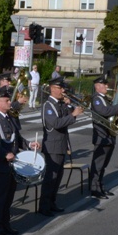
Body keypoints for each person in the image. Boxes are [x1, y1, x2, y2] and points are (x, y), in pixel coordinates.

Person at [0, 86, 37, 235]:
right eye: (7, 101)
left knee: (8, 198)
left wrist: (29, 145)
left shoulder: (9, 118)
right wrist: (4, 154)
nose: (9, 103)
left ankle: (6, 224)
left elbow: (16, 138)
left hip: (13, 165)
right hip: (1, 165)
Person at [38, 77, 83, 216]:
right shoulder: (48, 105)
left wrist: (69, 107)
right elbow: (56, 123)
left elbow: (68, 120)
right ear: (52, 88)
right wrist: (74, 114)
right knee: (51, 178)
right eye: (60, 88)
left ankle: (52, 203)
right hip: (52, 146)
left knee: (58, 178)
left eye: (63, 88)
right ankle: (44, 207)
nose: (63, 91)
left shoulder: (60, 103)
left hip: (61, 144)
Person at [89, 76, 118, 199]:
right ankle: (94, 189)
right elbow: (103, 111)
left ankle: (100, 186)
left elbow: (112, 110)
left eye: (106, 84)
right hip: (101, 136)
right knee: (98, 165)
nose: (107, 86)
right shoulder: (96, 99)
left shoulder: (105, 98)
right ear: (97, 86)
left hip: (108, 135)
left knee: (104, 165)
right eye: (104, 85)